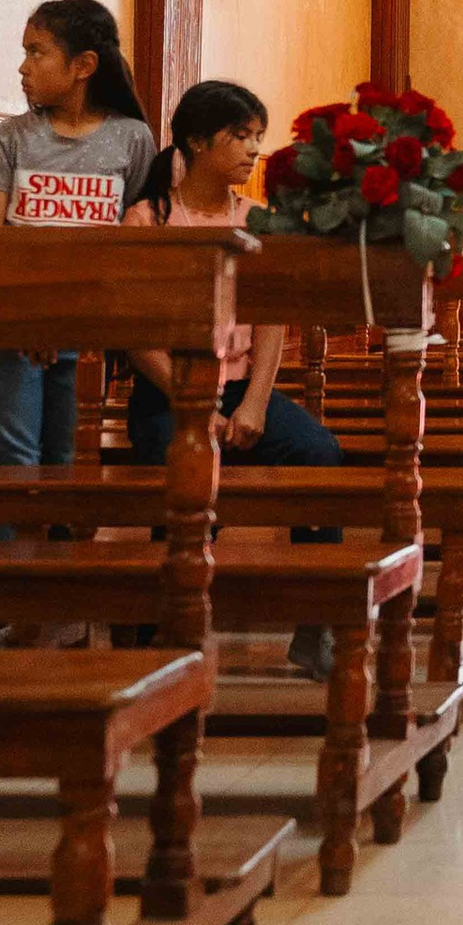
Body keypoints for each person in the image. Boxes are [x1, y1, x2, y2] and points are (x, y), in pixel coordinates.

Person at [125, 79, 347, 681]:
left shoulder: (256, 220)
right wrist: (196, 405)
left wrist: (252, 405)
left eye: (258, 137)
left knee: (320, 453)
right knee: (188, 470)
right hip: (168, 392)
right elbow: (138, 335)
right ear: (198, 142)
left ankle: (317, 622)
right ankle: (164, 624)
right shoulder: (150, 218)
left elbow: (272, 323)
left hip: (241, 388)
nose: (254, 149)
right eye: (241, 136)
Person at [0, 0, 157, 481]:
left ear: (83, 66)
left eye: (37, 52)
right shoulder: (13, 137)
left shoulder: (132, 138)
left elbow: (137, 244)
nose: (23, 66)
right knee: (14, 458)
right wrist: (31, 316)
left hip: (89, 327)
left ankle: (60, 536)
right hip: (13, 326)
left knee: (69, 461)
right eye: (25, 52)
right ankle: (10, 536)